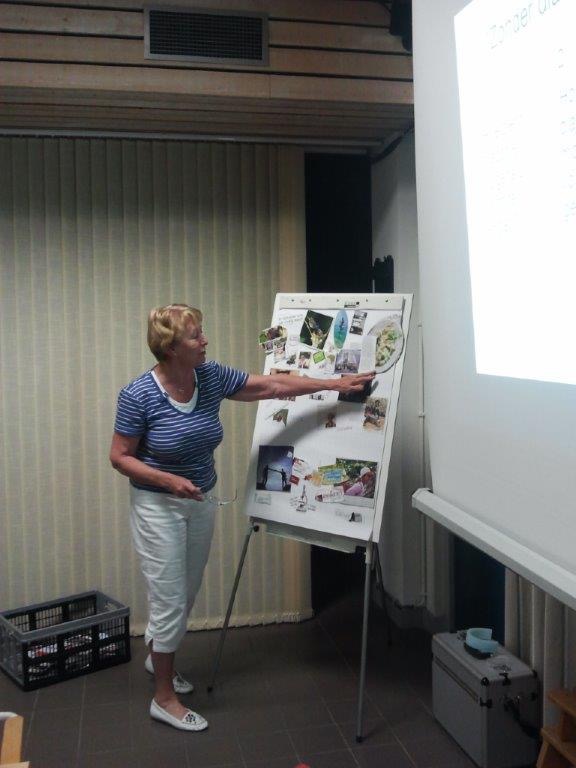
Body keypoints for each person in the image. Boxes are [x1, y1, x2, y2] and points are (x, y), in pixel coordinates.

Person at [109, 303, 374, 733]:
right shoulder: (138, 395)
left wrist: (335, 384)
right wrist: (167, 480)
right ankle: (163, 697)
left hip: (200, 500)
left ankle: (159, 656)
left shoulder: (208, 376)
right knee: (169, 598)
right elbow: (120, 457)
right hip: (158, 506)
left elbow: (271, 385)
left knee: (185, 590)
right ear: (171, 348)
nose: (205, 341)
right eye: (196, 335)